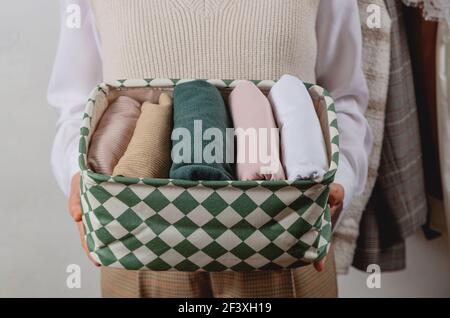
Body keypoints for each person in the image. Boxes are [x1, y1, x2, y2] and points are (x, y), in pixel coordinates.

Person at [48, 0, 372, 298]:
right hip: (138, 248)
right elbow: (78, 100)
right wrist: (79, 177)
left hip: (286, 246)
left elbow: (343, 97)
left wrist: (338, 177)